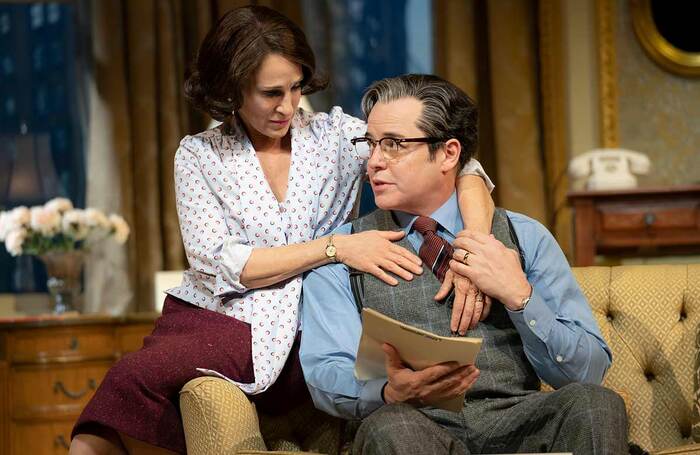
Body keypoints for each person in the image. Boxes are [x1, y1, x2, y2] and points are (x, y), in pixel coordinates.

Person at [69, 6, 496, 455]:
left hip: (312, 317)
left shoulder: (335, 136)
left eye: (295, 87)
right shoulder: (199, 155)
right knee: (115, 399)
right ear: (231, 89)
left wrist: (475, 250)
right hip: (219, 319)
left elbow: (465, 165)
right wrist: (335, 247)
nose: (288, 106)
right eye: (271, 92)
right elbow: (224, 263)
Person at [300, 74, 629, 454]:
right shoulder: (345, 251)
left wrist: (521, 297)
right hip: (413, 423)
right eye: (370, 145)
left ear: (448, 153)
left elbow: (586, 372)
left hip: (515, 419)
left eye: (393, 145)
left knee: (596, 404)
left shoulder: (523, 236)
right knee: (392, 427)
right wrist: (388, 390)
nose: (374, 162)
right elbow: (324, 372)